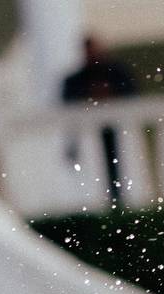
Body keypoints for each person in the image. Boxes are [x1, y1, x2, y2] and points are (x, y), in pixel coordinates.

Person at [62, 36, 137, 204]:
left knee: (120, 168)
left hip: (117, 130)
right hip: (89, 135)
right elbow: (68, 101)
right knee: (97, 173)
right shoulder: (76, 79)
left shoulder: (118, 73)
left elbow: (131, 93)